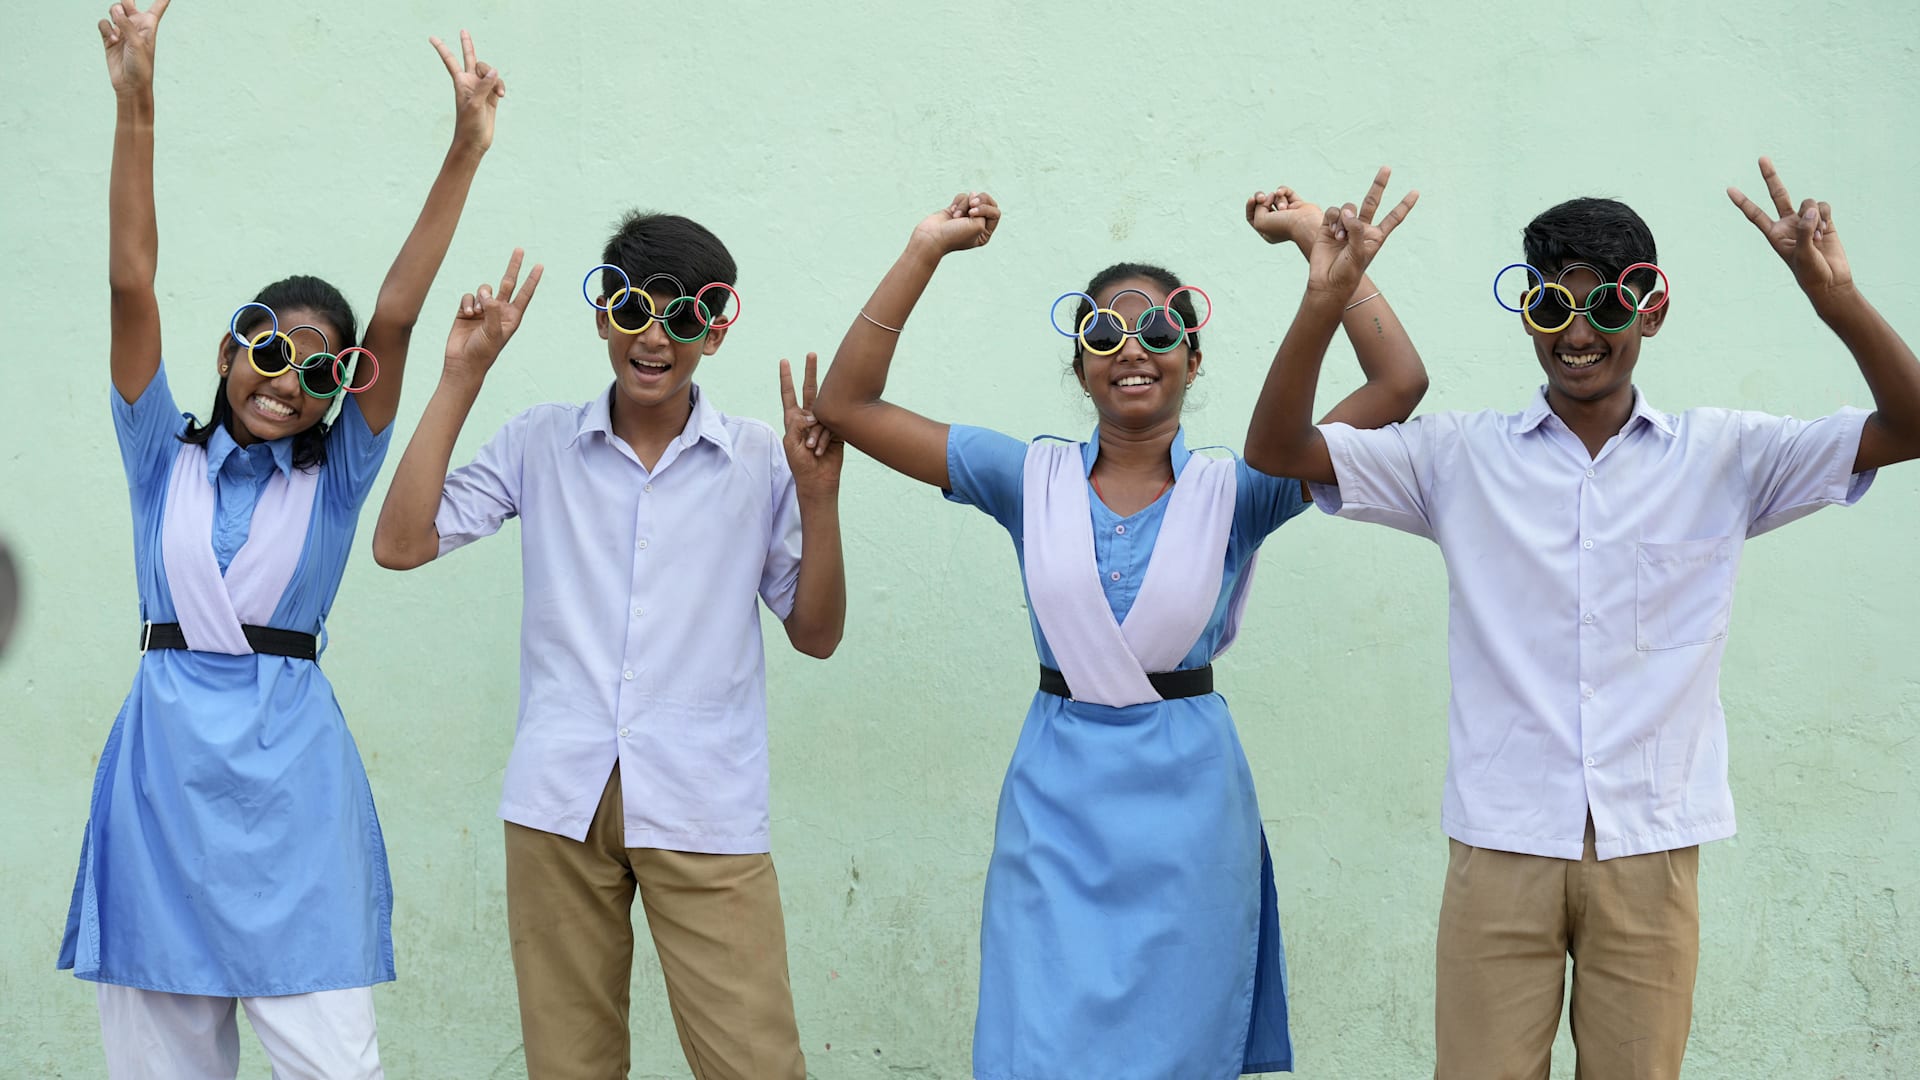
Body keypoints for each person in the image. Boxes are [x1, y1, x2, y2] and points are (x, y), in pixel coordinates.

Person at [1243, 159, 1920, 1079]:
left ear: (1651, 311)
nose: (1577, 334)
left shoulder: (1727, 457)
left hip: (1650, 845)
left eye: (1605, 309)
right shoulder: (1460, 460)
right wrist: (1327, 293)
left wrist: (1835, 299)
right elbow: (1279, 450)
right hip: (1502, 841)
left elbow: (1911, 423)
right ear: (1526, 312)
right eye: (1552, 307)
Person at [808, 175, 1425, 1079]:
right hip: (1055, 806)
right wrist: (925, 250)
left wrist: (1316, 250)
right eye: (1103, 332)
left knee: (1179, 1046)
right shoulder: (1026, 478)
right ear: (1079, 361)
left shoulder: (1243, 487)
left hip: (1191, 815)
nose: (1132, 350)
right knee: (1039, 1041)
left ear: (1194, 357)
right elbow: (847, 405)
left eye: (1162, 331)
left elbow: (1398, 383)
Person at [61, 2, 507, 1076]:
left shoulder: (340, 474)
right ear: (228, 350)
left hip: (293, 789)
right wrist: (138, 105)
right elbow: (131, 282)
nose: (289, 381)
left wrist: (464, 151)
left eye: (322, 371)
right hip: (162, 782)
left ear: (339, 393)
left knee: (332, 1060)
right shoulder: (155, 454)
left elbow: (396, 318)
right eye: (270, 351)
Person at [370, 212, 845, 1080]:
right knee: (569, 1068)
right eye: (632, 309)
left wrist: (819, 498)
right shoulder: (539, 441)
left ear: (718, 326)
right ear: (601, 316)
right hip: (559, 802)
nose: (655, 336)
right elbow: (400, 543)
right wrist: (460, 378)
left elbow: (816, 636)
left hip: (706, 803)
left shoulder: (756, 461)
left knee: (756, 1064)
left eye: (685, 316)